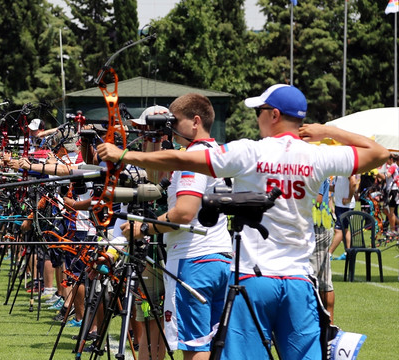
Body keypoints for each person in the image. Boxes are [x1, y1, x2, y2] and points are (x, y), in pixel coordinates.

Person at [96, 84, 389, 359]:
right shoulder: (317, 156)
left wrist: (124, 154)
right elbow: (379, 153)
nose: (257, 116)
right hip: (299, 280)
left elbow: (183, 159)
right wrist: (327, 130)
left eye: (259, 110)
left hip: (253, 279)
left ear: (274, 115)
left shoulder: (250, 151)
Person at [122, 94, 233, 360]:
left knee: (195, 347)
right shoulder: (216, 152)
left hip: (192, 260)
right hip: (221, 258)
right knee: (216, 344)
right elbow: (155, 180)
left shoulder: (192, 157)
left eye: (175, 121)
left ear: (195, 122)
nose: (171, 127)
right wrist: (153, 140)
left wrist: (143, 229)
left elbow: (183, 213)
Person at [310, 178, 335, 323]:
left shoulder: (315, 169)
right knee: (325, 281)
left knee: (309, 280)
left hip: (318, 228)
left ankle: (317, 324)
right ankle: (329, 325)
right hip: (321, 226)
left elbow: (317, 200)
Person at [328, 175, 357, 260]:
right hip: (339, 204)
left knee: (338, 230)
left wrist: (349, 198)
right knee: (345, 229)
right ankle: (348, 253)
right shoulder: (339, 170)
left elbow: (353, 183)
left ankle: (329, 253)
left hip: (346, 205)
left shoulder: (347, 168)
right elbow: (336, 187)